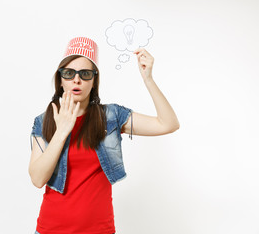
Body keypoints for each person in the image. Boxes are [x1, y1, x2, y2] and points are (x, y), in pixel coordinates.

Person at [29, 36, 180, 234]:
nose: (77, 79)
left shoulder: (111, 117)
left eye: (85, 74)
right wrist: (62, 131)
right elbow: (37, 179)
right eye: (69, 73)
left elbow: (168, 124)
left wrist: (148, 79)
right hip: (51, 229)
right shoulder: (45, 120)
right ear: (61, 80)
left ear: (94, 81)